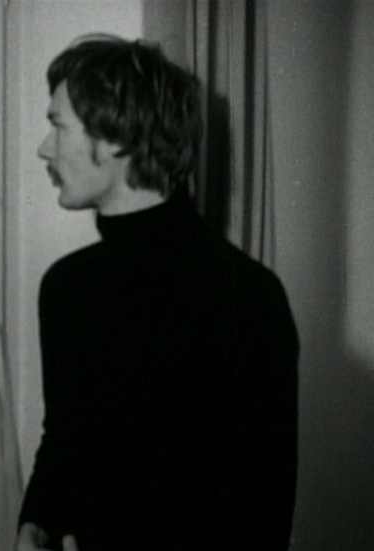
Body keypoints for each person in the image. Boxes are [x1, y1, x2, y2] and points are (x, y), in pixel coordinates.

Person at [16, 35, 299, 550]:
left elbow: (261, 516)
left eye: (58, 125)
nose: (44, 148)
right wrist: (33, 523)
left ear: (117, 137)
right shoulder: (66, 288)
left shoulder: (247, 297)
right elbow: (64, 441)